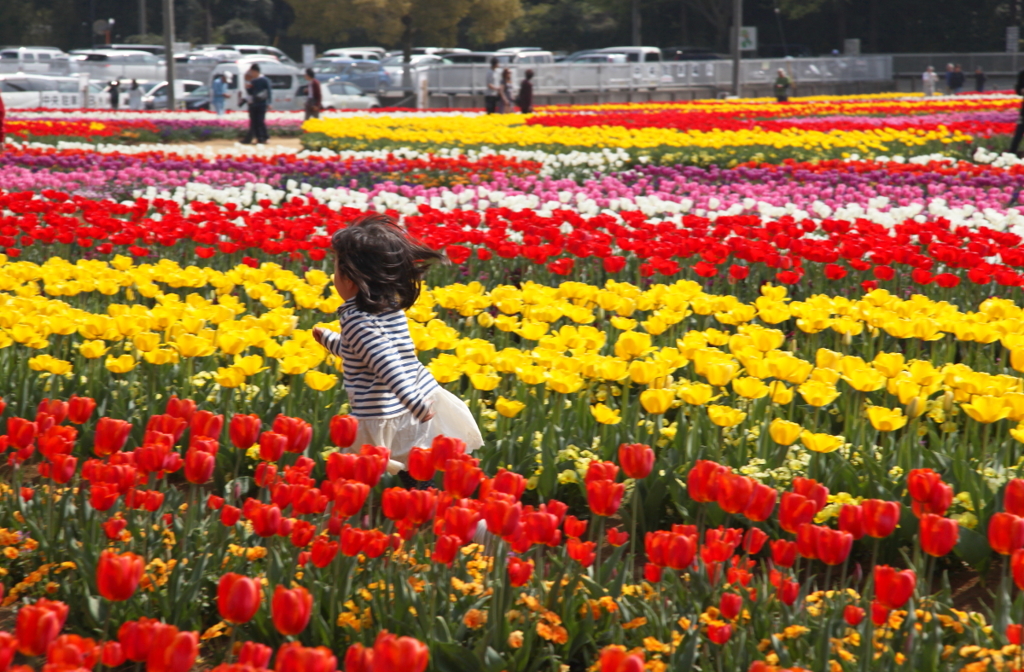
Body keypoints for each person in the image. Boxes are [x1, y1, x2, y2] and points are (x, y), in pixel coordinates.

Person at [312, 214, 483, 473]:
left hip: (386, 411)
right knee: (414, 468)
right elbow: (362, 353)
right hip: (417, 398)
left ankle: (408, 505)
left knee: (358, 475)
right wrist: (330, 340)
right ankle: (423, 501)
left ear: (349, 278)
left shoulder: (358, 322)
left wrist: (411, 401)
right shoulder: (388, 307)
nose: (333, 276)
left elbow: (385, 363)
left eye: (335, 268)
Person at [242, 64, 271, 144]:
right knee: (255, 122)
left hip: (262, 104)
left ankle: (265, 137)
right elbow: (251, 92)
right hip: (254, 104)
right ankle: (259, 138)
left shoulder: (264, 80)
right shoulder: (253, 81)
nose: (252, 74)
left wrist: (269, 102)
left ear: (256, 71)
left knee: (260, 121)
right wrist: (247, 88)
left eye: (252, 72)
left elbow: (269, 91)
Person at [1009, 68, 1024, 155]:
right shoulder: (1022, 74)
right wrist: (1021, 90)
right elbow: (1018, 89)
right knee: (1020, 130)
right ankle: (1012, 153)